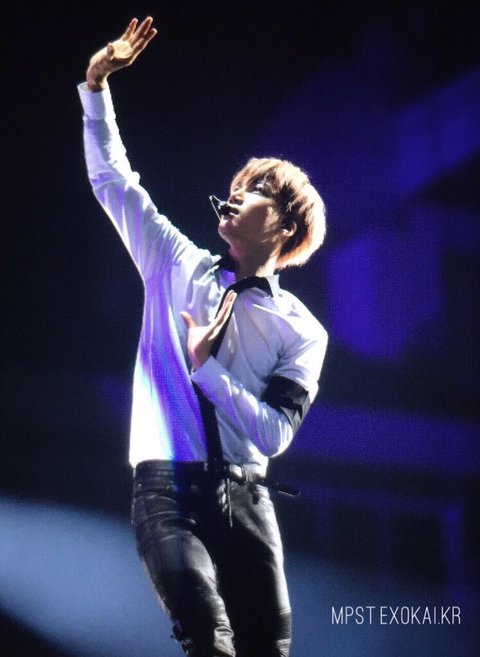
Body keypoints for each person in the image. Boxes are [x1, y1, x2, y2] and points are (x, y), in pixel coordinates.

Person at [78, 16, 328, 657]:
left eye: (258, 190)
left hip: (249, 499)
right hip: (166, 490)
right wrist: (97, 87)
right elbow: (114, 182)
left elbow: (273, 434)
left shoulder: (303, 329)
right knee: (209, 642)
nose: (237, 195)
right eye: (239, 186)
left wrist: (206, 370)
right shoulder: (174, 263)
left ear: (286, 225)